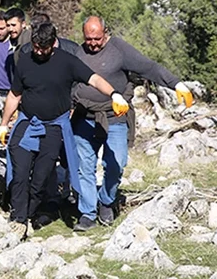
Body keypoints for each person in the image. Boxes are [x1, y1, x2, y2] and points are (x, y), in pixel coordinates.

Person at [0, 23, 127, 238]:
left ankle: (29, 211)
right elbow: (14, 95)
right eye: (36, 47)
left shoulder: (66, 62)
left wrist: (114, 94)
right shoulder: (26, 60)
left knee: (40, 177)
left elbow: (93, 79)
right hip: (27, 123)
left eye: (44, 48)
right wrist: (4, 124)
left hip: (53, 127)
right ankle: (18, 219)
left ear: (53, 44)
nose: (39, 52)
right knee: (19, 174)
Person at [71, 16, 193, 231]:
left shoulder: (118, 49)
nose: (93, 43)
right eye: (88, 39)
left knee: (117, 163)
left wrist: (176, 84)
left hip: (115, 116)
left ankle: (107, 201)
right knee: (84, 167)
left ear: (105, 33)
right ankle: (87, 212)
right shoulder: (78, 52)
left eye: (97, 38)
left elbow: (149, 67)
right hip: (84, 117)